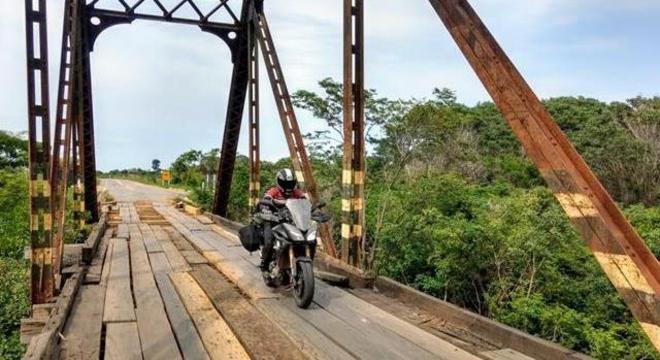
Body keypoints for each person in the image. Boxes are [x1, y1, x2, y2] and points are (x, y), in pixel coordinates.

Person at [257, 169, 306, 279]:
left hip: (291, 221)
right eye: (285, 183)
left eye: (290, 183)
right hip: (273, 220)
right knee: (269, 242)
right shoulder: (274, 191)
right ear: (279, 182)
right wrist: (266, 207)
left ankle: (293, 261)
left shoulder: (297, 192)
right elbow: (266, 199)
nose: (288, 186)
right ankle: (264, 266)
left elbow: (305, 201)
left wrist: (311, 209)